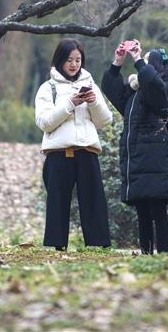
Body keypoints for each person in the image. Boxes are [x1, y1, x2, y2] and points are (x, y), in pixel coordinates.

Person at [35, 38, 113, 250]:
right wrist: (70, 104)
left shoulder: (91, 85)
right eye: (69, 59)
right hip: (58, 153)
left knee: (94, 201)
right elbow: (44, 122)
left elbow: (105, 121)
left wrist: (93, 102)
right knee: (57, 203)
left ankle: (98, 245)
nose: (74, 64)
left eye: (78, 60)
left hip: (87, 151)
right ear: (60, 60)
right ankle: (56, 245)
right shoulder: (47, 88)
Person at [102, 41, 168, 254]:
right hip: (137, 157)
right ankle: (145, 252)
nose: (140, 66)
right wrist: (117, 63)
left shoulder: (167, 90)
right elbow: (111, 90)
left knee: (158, 210)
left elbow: (154, 89)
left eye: (145, 62)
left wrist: (137, 60)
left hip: (155, 157)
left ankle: (163, 254)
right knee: (142, 211)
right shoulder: (134, 93)